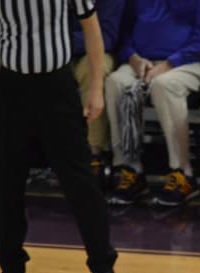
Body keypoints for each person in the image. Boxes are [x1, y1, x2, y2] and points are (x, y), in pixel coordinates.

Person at [0, 0, 118, 273]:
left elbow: (92, 29)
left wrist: (95, 88)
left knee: (79, 181)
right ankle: (12, 270)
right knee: (7, 184)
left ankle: (102, 267)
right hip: (11, 89)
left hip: (57, 87)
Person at [105, 0, 200, 206]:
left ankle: (183, 172)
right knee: (116, 83)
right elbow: (123, 33)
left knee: (164, 85)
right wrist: (133, 58)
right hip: (143, 61)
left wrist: (170, 63)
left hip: (191, 61)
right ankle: (130, 170)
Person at [70, 0, 126, 182]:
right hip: (60, 53)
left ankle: (95, 154)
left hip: (101, 51)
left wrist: (62, 41)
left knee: (93, 70)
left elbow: (107, 38)